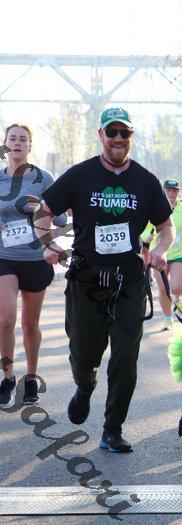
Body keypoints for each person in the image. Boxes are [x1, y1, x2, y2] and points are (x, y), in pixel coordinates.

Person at [36, 107, 173, 453]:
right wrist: (48, 244)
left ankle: (112, 429)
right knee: (84, 356)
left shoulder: (145, 180)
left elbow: (166, 227)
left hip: (129, 282)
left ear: (131, 137)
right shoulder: (80, 175)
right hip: (86, 281)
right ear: (101, 135)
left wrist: (161, 249)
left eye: (124, 133)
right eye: (112, 132)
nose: (118, 138)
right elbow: (42, 212)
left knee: (125, 360)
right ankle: (84, 387)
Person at [0, 123, 67, 408]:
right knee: (5, 319)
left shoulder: (43, 178)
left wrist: (40, 208)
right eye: (13, 138)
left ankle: (30, 378)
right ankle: (7, 378)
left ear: (30, 146)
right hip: (4, 256)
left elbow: (60, 218)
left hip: (35, 258)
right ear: (6, 144)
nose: (17, 143)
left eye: (23, 139)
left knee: (30, 324)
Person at [147, 179, 182, 330]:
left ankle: (177, 297)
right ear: (163, 192)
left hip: (179, 253)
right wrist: (146, 238)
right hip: (159, 254)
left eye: (174, 190)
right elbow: (145, 227)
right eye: (168, 190)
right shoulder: (154, 207)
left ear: (179, 192)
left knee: (176, 288)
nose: (171, 193)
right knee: (163, 289)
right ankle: (168, 319)